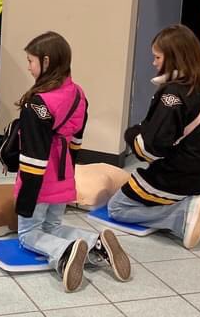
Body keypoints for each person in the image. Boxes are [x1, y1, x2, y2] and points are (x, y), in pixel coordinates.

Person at [14, 32, 131, 291]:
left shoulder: (37, 103)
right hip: (64, 170)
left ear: (46, 62)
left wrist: (26, 198)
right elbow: (76, 140)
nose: (28, 67)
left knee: (28, 234)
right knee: (52, 225)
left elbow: (33, 157)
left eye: (31, 61)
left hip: (40, 177)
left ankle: (65, 251)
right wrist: (69, 170)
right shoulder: (78, 93)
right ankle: (94, 242)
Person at [107, 24, 200, 249]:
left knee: (117, 207)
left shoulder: (173, 94)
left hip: (176, 177)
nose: (154, 63)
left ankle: (182, 215)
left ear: (174, 58)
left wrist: (130, 134)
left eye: (158, 57)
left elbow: (150, 148)